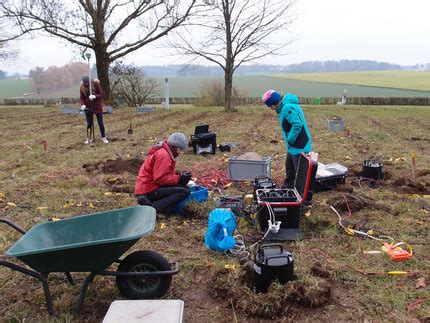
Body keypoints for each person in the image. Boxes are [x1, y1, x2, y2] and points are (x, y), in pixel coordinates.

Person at [262, 90, 312, 188]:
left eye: (270, 106)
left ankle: (304, 197)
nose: (271, 109)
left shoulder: (287, 107)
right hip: (293, 146)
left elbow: (297, 124)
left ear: (274, 103)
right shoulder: (284, 107)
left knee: (301, 173)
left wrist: (290, 140)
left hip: (299, 145)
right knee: (290, 168)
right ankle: (287, 187)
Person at [134, 132, 192, 214]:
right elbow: (160, 179)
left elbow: (164, 173)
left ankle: (152, 203)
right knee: (184, 191)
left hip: (148, 186)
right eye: (181, 150)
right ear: (177, 148)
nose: (180, 153)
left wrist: (180, 176)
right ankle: (154, 208)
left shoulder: (165, 150)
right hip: (148, 190)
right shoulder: (164, 155)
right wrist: (179, 179)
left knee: (181, 187)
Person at [80, 75, 109, 144]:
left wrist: (95, 96)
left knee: (100, 122)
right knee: (89, 123)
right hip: (88, 107)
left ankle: (103, 137)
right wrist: (83, 105)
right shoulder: (82, 87)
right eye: (85, 83)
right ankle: (89, 138)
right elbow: (82, 98)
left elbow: (101, 94)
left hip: (97, 106)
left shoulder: (95, 84)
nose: (86, 84)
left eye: (87, 82)